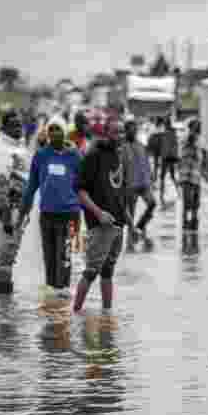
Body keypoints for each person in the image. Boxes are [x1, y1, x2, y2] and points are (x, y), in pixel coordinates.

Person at [73, 115, 129, 313]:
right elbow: (80, 190)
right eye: (116, 131)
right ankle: (75, 314)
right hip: (100, 225)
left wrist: (129, 220)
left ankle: (107, 315)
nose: (120, 135)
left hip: (118, 224)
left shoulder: (119, 155)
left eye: (122, 131)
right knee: (91, 271)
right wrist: (99, 213)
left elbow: (119, 191)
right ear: (105, 133)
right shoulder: (93, 155)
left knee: (108, 271)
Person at [19, 122, 82, 295]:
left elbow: (84, 185)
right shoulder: (41, 155)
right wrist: (22, 213)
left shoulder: (75, 156)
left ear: (65, 132)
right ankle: (52, 302)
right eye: (51, 130)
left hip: (70, 214)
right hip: (47, 214)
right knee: (49, 256)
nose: (54, 133)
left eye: (58, 129)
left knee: (65, 256)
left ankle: (63, 294)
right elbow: (31, 186)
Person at [0, 111, 31, 294]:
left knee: (5, 252)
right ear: (4, 128)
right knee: (7, 254)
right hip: (6, 211)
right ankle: (4, 311)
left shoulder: (18, 147)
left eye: (20, 124)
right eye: (14, 124)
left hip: (17, 209)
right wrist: (7, 221)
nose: (19, 128)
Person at [121, 119, 157, 248]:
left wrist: (151, 176)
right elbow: (119, 167)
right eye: (131, 129)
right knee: (131, 212)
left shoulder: (141, 145)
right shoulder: (122, 147)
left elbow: (146, 162)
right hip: (130, 185)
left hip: (144, 183)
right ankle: (130, 240)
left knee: (152, 204)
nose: (133, 131)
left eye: (135, 129)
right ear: (126, 131)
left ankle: (139, 227)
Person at [179, 119, 203, 230]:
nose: (199, 128)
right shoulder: (187, 138)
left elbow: (199, 158)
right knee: (187, 201)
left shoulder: (198, 139)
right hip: (187, 175)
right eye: (196, 126)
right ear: (191, 127)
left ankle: (193, 220)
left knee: (195, 202)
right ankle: (185, 222)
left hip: (196, 175)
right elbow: (185, 150)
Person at [158, 118, 180, 204]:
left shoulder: (166, 133)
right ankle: (177, 192)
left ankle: (162, 194)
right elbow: (174, 146)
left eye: (165, 124)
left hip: (167, 158)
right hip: (169, 157)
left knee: (164, 177)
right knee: (171, 176)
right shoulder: (172, 133)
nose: (164, 125)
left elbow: (166, 146)